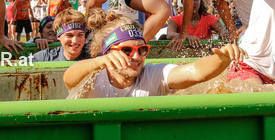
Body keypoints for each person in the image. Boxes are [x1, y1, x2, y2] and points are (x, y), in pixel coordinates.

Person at [63, 13, 245, 98]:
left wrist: (223, 58)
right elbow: (69, 79)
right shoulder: (94, 77)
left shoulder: (153, 74)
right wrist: (99, 62)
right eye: (127, 51)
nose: (135, 58)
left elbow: (196, 72)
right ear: (108, 52)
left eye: (142, 50)